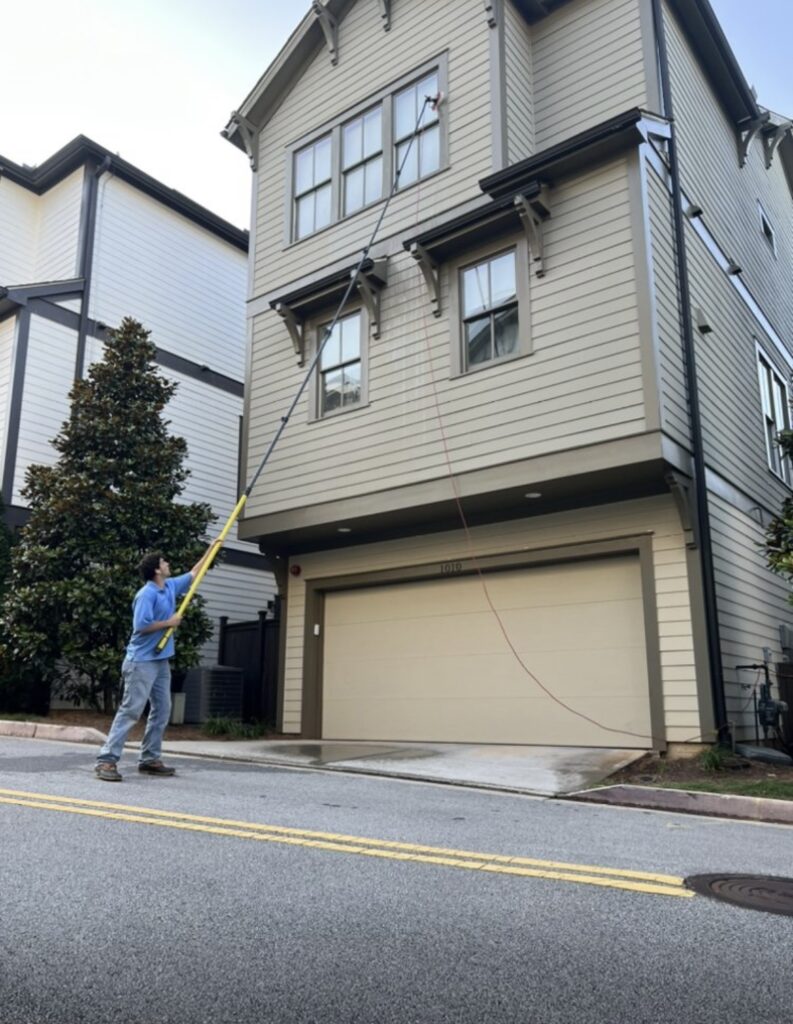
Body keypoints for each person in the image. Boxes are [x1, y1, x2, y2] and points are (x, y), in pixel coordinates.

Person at [94, 544, 219, 782]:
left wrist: (211, 550)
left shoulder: (170, 586)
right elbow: (141, 625)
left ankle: (150, 759)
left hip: (160, 661)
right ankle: (106, 761)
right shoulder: (147, 594)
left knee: (162, 710)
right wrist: (169, 622)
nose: (168, 564)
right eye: (164, 562)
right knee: (131, 710)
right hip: (141, 662)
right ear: (156, 570)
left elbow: (194, 574)